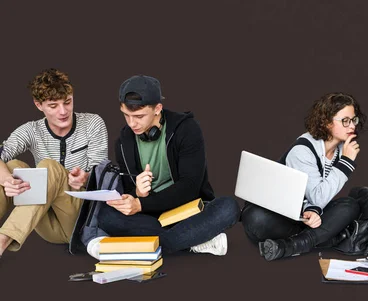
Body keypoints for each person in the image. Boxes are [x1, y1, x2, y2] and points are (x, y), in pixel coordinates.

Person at [93, 75, 239, 256]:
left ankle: (159, 243)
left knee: (228, 207)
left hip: (188, 211)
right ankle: (192, 242)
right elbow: (131, 192)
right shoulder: (123, 142)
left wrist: (140, 204)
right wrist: (137, 194)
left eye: (139, 116)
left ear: (157, 109)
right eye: (126, 115)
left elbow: (190, 187)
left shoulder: (186, 129)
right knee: (106, 216)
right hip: (152, 215)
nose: (132, 123)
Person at [241, 92, 363, 261]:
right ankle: (328, 238)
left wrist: (313, 210)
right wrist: (347, 162)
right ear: (327, 122)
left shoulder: (341, 150)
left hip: (303, 219)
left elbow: (320, 196)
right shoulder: (302, 150)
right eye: (345, 121)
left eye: (353, 120)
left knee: (350, 205)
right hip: (279, 216)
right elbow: (318, 196)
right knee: (255, 218)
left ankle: (291, 246)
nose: (352, 126)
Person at [0, 68, 108, 258]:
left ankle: (3, 239)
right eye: (53, 105)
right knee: (11, 167)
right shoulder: (31, 130)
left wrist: (85, 178)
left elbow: (103, 175)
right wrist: (8, 180)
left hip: (79, 219)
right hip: (45, 221)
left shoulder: (92, 123)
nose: (63, 111)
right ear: (38, 105)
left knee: (48, 166)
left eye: (67, 102)